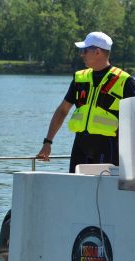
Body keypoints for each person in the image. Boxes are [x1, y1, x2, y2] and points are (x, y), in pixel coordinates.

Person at [37, 32, 135, 173]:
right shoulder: (80, 78)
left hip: (108, 147)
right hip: (80, 146)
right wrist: (48, 142)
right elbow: (63, 110)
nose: (81, 54)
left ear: (97, 52)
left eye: (84, 50)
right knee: (76, 189)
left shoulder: (125, 81)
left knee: (104, 191)